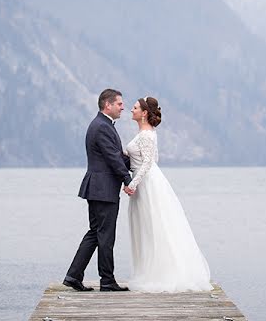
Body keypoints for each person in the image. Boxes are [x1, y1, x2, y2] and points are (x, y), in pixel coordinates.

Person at [125, 96, 211, 292]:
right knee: (151, 226)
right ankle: (150, 271)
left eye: (136, 107)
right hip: (149, 180)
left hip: (146, 183)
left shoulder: (146, 135)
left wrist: (133, 183)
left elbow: (148, 162)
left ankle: (156, 274)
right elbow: (155, 158)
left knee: (152, 227)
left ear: (144, 113)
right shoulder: (148, 132)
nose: (132, 110)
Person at [63, 89, 134, 292]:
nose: (122, 107)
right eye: (119, 104)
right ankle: (107, 281)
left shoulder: (103, 125)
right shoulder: (102, 127)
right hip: (103, 189)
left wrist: (138, 163)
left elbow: (116, 157)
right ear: (107, 105)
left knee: (95, 233)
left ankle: (73, 276)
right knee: (106, 235)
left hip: (98, 188)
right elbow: (113, 159)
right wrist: (128, 180)